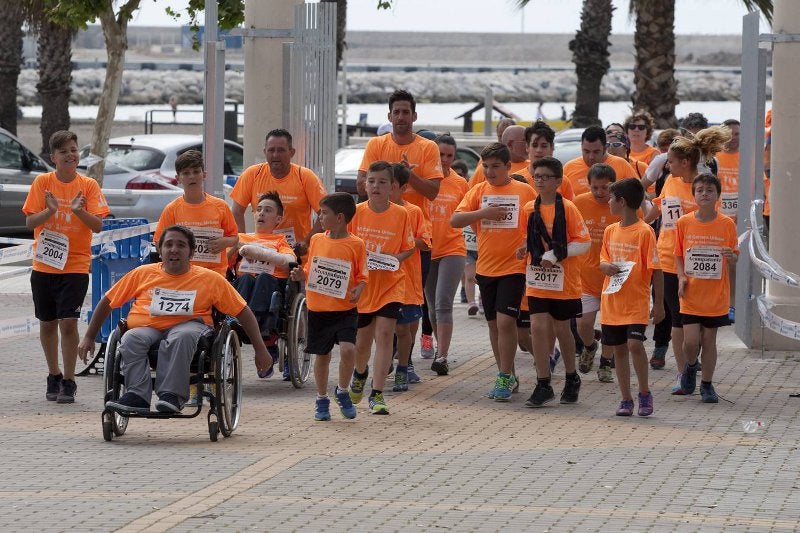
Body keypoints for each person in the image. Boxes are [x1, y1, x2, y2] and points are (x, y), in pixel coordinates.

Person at [77, 226, 270, 414]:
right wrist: (88, 336)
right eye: (168, 244)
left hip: (190, 327)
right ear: (160, 251)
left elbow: (243, 311)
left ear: (191, 252)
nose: (174, 249)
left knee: (181, 336)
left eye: (181, 245)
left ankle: (172, 395)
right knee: (130, 339)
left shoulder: (210, 279)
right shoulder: (142, 273)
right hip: (146, 327)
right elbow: (108, 301)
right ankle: (137, 395)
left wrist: (260, 349)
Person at [23, 130, 109, 404]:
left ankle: (70, 381)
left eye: (74, 149)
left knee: (69, 323)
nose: (71, 155)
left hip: (75, 265)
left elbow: (98, 225)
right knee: (47, 323)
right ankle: (54, 375)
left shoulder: (89, 185)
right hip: (44, 266)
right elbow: (29, 223)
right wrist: (49, 211)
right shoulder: (42, 183)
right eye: (64, 152)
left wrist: (78, 211)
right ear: (54, 157)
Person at [357, 90, 443, 362]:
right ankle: (389, 356)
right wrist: (384, 177)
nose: (402, 117)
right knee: (380, 303)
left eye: (406, 112)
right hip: (380, 236)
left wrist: (407, 174)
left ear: (414, 116)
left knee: (411, 304)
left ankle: (404, 361)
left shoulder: (428, 148)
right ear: (389, 115)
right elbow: (361, 185)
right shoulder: (376, 145)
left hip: (416, 237)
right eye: (397, 112)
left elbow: (432, 191)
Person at [643, 126, 730, 394]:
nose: (667, 165)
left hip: (700, 263)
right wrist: (640, 227)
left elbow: (712, 223)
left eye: (671, 161)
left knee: (703, 328)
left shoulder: (704, 186)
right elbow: (659, 207)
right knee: (677, 320)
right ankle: (684, 374)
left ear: (685, 162)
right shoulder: (669, 181)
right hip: (668, 258)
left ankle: (695, 367)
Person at [451, 143, 536, 401]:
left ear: (509, 167)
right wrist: (483, 213)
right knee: (493, 325)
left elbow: (539, 222)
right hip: (486, 267)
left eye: (495, 166)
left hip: (514, 267)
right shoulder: (478, 191)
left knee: (505, 321)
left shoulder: (524, 191)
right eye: (485, 166)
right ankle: (507, 373)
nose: (489, 171)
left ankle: (503, 375)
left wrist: (526, 245)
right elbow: (455, 220)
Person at [520, 156, 591, 408]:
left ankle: (572, 377)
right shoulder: (529, 208)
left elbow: (583, 242)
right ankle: (543, 383)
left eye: (545, 177)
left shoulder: (569, 208)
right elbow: (530, 238)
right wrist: (524, 248)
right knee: (538, 328)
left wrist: (554, 254)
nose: (540, 181)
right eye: (536, 176)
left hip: (564, 280)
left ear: (558, 181)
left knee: (562, 329)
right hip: (538, 277)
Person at [290, 193, 367, 421]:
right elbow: (311, 269)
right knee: (322, 356)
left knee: (348, 350)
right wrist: (299, 274)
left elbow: (362, 275)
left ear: (340, 217)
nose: (320, 218)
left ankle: (342, 391)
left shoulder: (356, 244)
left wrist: (360, 288)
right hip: (319, 309)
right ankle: (321, 398)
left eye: (324, 213)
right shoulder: (317, 240)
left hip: (344, 309)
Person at [348, 161, 415, 415]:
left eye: (382, 182)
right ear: (365, 185)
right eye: (372, 181)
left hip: (391, 284)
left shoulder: (402, 214)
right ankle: (359, 373)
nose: (376, 186)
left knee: (386, 334)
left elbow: (408, 247)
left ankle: (377, 394)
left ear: (393, 187)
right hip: (363, 286)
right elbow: (346, 244)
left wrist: (396, 259)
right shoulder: (355, 213)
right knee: (362, 341)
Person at [599, 178, 664, 416]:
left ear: (622, 201)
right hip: (612, 302)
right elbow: (603, 258)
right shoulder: (610, 230)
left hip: (636, 302)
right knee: (618, 350)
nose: (608, 202)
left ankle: (645, 393)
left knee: (634, 345)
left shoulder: (645, 232)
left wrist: (658, 305)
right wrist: (605, 266)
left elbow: (656, 270)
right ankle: (625, 399)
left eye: (611, 198)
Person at [675, 173, 738, 402]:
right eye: (700, 190)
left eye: (709, 190)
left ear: (717, 196)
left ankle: (707, 385)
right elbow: (678, 255)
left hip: (715, 295)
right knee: (690, 341)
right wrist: (681, 277)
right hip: (691, 293)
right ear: (693, 195)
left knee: (709, 340)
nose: (704, 193)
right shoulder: (684, 222)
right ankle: (691, 366)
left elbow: (734, 257)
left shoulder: (727, 224)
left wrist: (732, 256)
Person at [230, 191, 297, 378]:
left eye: (267, 210)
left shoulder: (280, 241)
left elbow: (289, 260)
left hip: (270, 285)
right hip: (245, 284)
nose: (261, 214)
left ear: (278, 218)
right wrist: (231, 248)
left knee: (263, 278)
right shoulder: (242, 238)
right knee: (245, 279)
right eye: (258, 210)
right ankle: (239, 318)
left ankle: (263, 329)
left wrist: (258, 252)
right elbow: (224, 262)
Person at [230, 128, 327, 255]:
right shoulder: (252, 174)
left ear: (291, 152)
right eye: (271, 150)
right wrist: (241, 242)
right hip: (261, 253)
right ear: (265, 152)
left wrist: (306, 242)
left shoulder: (305, 176)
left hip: (295, 255)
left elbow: (325, 212)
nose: (275, 155)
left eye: (281, 150)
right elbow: (237, 211)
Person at [154, 150, 238, 277]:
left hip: (215, 273)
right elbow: (158, 243)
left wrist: (224, 242)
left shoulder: (221, 206)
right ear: (178, 178)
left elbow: (235, 238)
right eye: (186, 173)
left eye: (196, 172)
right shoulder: (171, 209)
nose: (192, 177)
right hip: (183, 274)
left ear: (204, 175)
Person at [426, 135, 469, 376]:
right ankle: (437, 347)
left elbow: (469, 212)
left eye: (449, 155)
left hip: (453, 249)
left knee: (443, 302)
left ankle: (442, 355)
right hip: (428, 249)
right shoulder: (425, 180)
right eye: (440, 155)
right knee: (432, 307)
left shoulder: (460, 183)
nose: (444, 160)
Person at [572, 163, 620, 382]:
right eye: (595, 188)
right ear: (588, 185)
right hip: (586, 277)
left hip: (614, 277)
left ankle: (606, 364)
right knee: (583, 324)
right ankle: (590, 347)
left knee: (611, 325)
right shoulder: (579, 203)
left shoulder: (622, 204)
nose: (600, 193)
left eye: (605, 188)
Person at [390, 163, 431, 391]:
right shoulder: (369, 210)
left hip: (407, 281)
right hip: (380, 281)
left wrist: (401, 240)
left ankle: (404, 367)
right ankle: (387, 360)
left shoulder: (413, 211)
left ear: (403, 188)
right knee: (382, 328)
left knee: (405, 329)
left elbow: (425, 243)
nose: (382, 188)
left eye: (390, 185)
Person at [563, 126, 636, 196]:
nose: (591, 157)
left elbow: (639, 196)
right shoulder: (569, 168)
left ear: (605, 148)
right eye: (586, 151)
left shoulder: (621, 165)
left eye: (596, 152)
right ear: (581, 147)